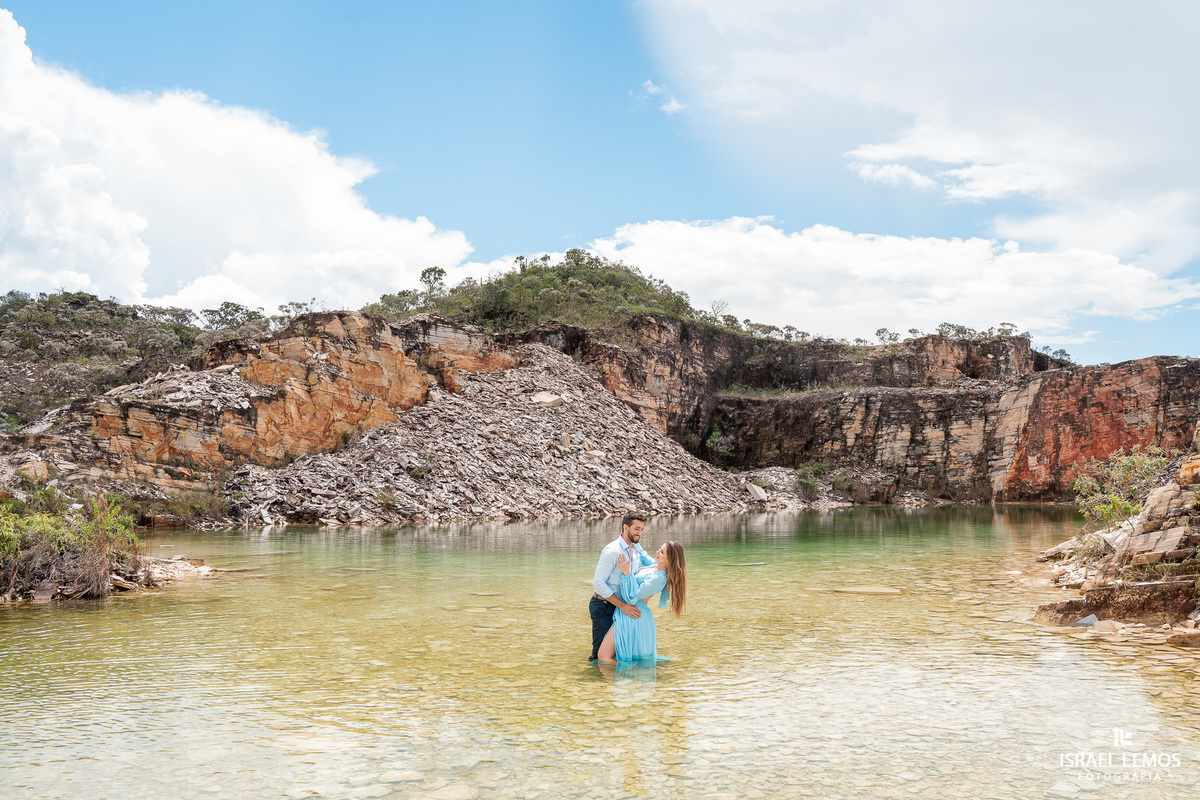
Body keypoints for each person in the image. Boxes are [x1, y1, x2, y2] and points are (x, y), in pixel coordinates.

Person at [596, 540, 687, 663]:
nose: (657, 552)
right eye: (660, 548)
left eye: (662, 552)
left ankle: (627, 677)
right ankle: (628, 678)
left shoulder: (659, 578)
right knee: (616, 656)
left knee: (604, 656)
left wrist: (626, 572)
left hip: (633, 615)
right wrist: (628, 539)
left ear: (669, 559)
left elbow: (633, 597)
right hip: (628, 613)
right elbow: (643, 555)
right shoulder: (655, 565)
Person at [589, 513, 655, 662]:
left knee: (618, 651)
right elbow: (598, 583)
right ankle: (595, 683)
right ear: (625, 527)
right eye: (636, 529)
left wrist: (672, 567)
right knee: (600, 655)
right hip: (604, 607)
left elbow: (655, 565)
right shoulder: (612, 550)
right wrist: (623, 606)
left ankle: (619, 683)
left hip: (622, 609)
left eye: (642, 529)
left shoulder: (637, 548)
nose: (639, 533)